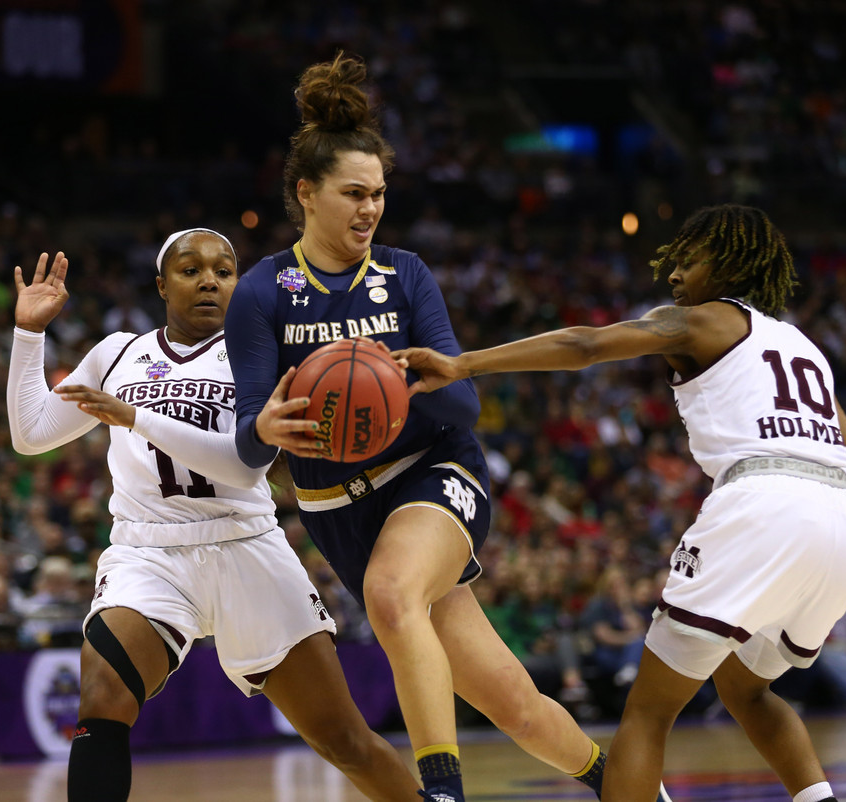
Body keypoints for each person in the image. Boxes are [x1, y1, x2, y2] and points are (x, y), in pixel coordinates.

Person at [225, 52, 670, 802]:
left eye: (379, 194)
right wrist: (266, 427)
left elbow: (464, 407)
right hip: (338, 511)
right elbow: (245, 441)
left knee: (392, 592)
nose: (370, 209)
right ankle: (627, 788)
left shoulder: (404, 275)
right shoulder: (263, 292)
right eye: (353, 194)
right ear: (306, 193)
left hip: (434, 473)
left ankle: (442, 794)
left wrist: (400, 387)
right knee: (514, 704)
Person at [396, 203, 846, 802]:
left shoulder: (702, 321)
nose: (674, 273)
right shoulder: (802, 347)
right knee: (746, 689)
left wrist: (464, 362)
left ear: (730, 265)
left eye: (690, 260)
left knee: (648, 713)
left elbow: (585, 344)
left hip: (766, 502)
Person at [7, 234, 421, 802]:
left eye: (224, 271)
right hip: (147, 552)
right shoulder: (116, 353)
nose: (209, 280)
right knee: (102, 696)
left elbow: (244, 467)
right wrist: (28, 333)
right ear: (162, 285)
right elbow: (31, 434)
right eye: (191, 269)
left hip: (246, 545)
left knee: (343, 739)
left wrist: (136, 417)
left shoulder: (263, 353)